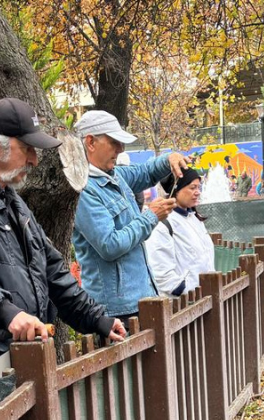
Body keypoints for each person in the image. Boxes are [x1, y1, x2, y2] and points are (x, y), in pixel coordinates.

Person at [0, 98, 126, 404]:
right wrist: (7, 313)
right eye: (27, 148)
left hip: (14, 359)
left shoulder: (12, 201)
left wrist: (98, 320)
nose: (34, 160)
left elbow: (54, 273)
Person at [71, 110, 189, 323]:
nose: (121, 149)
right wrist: (151, 216)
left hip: (138, 301)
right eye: (114, 142)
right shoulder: (84, 188)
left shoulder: (113, 174)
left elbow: (145, 172)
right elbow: (109, 245)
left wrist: (169, 159)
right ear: (90, 142)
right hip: (116, 312)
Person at [147, 167, 216, 297]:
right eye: (192, 187)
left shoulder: (194, 218)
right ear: (177, 189)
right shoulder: (163, 224)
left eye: (198, 187)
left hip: (205, 299)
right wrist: (186, 291)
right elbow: (161, 273)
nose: (197, 192)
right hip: (184, 305)